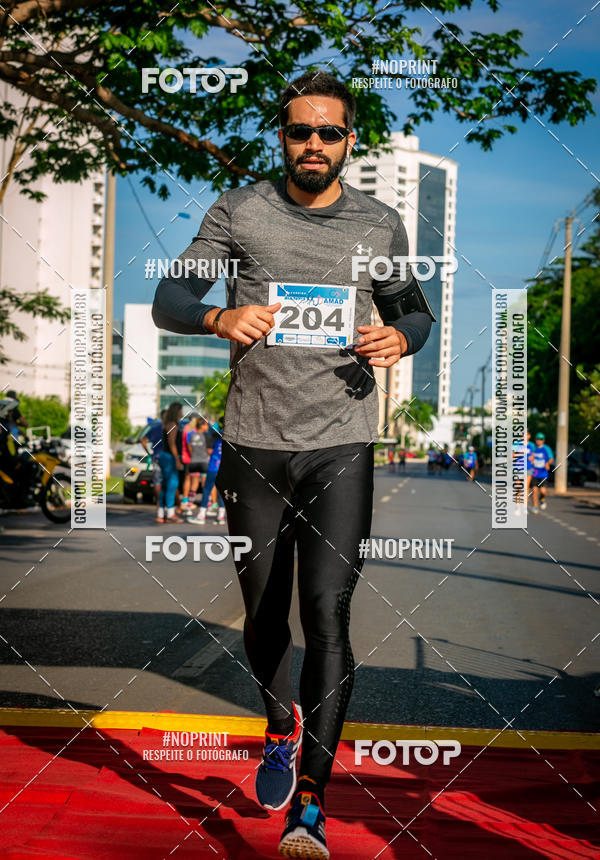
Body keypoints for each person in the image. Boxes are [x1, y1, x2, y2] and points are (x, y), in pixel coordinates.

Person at [152, 69, 434, 860]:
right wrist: (218, 316)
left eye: (329, 132)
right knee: (266, 613)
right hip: (254, 444)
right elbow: (170, 298)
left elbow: (414, 311)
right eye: (300, 130)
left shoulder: (379, 224)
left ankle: (310, 802)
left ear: (349, 141)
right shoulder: (239, 210)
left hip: (342, 442)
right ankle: (280, 724)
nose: (314, 143)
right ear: (281, 137)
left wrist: (401, 337)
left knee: (327, 611)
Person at [188, 417, 226, 525]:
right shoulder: (230, 437)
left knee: (206, 490)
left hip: (213, 467)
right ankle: (221, 517)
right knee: (220, 492)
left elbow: (209, 450)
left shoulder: (214, 436)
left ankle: (201, 515)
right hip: (224, 468)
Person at [157, 402, 183, 522]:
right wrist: (177, 459)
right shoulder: (173, 424)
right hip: (169, 457)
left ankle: (161, 514)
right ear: (177, 411)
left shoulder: (166, 423)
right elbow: (172, 443)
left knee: (165, 486)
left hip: (164, 456)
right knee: (172, 485)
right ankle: (171, 514)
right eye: (180, 411)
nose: (182, 413)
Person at [141, 410, 166, 522]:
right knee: (170, 482)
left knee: (157, 482)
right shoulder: (172, 427)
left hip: (156, 457)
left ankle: (159, 504)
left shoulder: (154, 428)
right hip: (168, 458)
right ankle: (171, 507)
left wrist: (149, 453)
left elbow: (143, 440)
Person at [182, 416, 211, 512]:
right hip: (204, 462)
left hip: (193, 461)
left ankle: (189, 505)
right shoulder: (206, 436)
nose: (208, 427)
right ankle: (208, 505)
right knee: (205, 484)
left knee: (194, 484)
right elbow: (209, 450)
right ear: (202, 425)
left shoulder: (191, 435)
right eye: (206, 425)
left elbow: (189, 449)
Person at [531, 432, 554, 513]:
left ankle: (542, 499)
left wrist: (548, 463)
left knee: (543, 491)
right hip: (534, 473)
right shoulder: (533, 447)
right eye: (537, 439)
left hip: (543, 473)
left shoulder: (546, 448)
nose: (539, 441)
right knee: (534, 491)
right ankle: (535, 507)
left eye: (540, 439)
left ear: (543, 440)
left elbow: (551, 459)